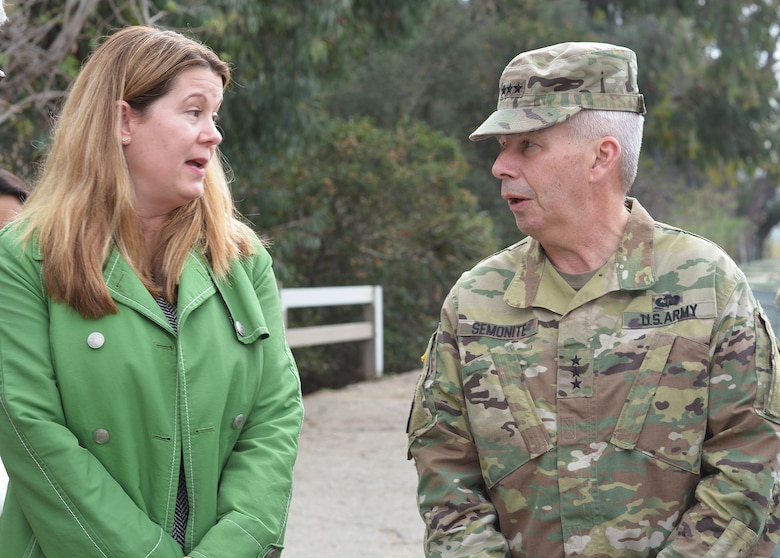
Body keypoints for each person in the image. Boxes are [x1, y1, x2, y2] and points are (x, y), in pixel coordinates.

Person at [407, 41, 780, 557]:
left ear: (601, 156)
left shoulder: (708, 287)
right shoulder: (475, 301)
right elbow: (445, 471)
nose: (500, 166)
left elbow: (749, 464)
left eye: (527, 146)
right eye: (500, 147)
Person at [0, 25, 303, 558]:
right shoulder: (22, 256)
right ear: (122, 120)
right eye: (193, 112)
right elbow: (29, 428)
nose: (214, 134)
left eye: (215, 115)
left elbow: (274, 415)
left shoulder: (242, 256)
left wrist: (235, 546)